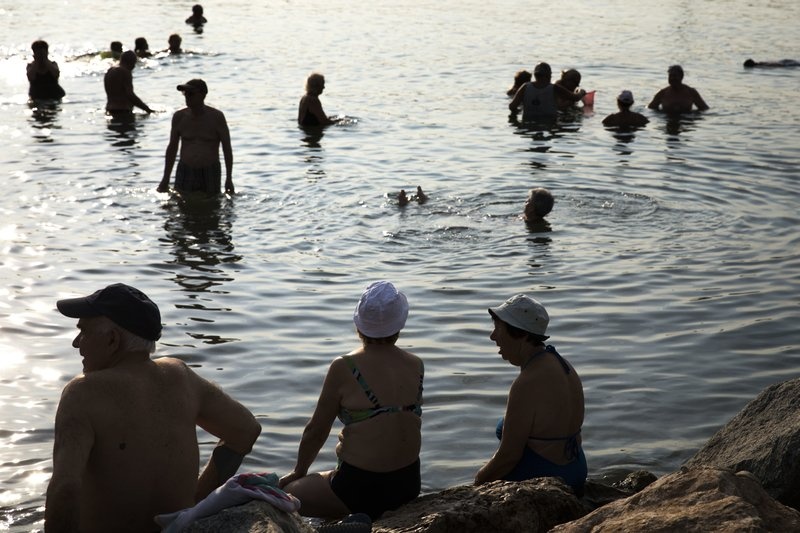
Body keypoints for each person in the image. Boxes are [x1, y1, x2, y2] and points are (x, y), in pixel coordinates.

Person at [44, 283, 261, 532]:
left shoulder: (82, 392)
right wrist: (196, 504)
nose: (76, 343)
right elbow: (245, 431)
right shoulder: (181, 377)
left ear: (113, 339)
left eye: (83, 331)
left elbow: (65, 487)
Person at [279, 281, 424, 521]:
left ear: (359, 324)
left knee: (287, 494)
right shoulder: (416, 364)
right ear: (400, 324)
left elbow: (316, 430)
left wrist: (299, 471)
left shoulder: (344, 367)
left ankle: (346, 520)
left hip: (358, 488)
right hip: (408, 484)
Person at [475, 294, 587, 495]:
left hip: (547, 476)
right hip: (576, 469)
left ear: (521, 333)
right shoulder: (563, 364)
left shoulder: (526, 383)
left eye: (498, 328)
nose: (492, 336)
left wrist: (476, 483)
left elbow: (508, 457)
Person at [159, 79, 234, 195]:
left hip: (210, 170)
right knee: (181, 202)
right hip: (185, 169)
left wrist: (229, 178)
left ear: (203, 95)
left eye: (191, 94)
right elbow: (172, 148)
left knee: (212, 203)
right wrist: (165, 178)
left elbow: (227, 148)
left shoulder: (216, 117)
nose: (187, 97)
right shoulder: (179, 117)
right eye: (185, 94)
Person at [509, 62, 577, 122]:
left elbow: (512, 106)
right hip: (549, 123)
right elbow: (575, 97)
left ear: (535, 75)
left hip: (528, 124)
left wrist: (516, 116)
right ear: (549, 75)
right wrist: (580, 91)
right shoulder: (554, 87)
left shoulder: (525, 86)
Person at [104, 50, 153, 117]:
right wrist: (147, 109)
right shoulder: (125, 72)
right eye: (134, 63)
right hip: (123, 111)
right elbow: (130, 95)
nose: (134, 66)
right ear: (130, 62)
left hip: (109, 110)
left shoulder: (110, 71)